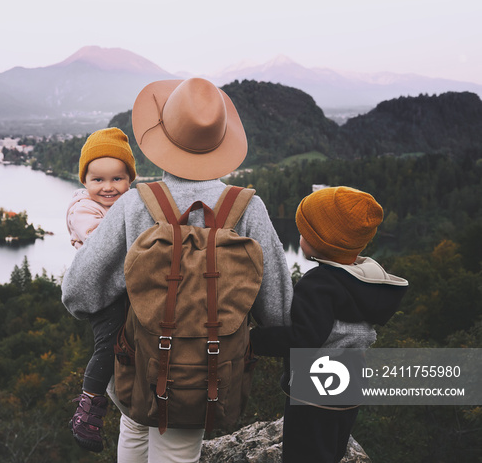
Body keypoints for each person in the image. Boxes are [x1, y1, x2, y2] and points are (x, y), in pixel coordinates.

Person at [62, 77, 295, 463]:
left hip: (139, 362)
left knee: (134, 426)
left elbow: (79, 293)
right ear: (221, 141)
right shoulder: (247, 209)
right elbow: (279, 312)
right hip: (207, 374)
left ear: (163, 139)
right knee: (175, 452)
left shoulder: (135, 205)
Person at [250, 186, 408, 463]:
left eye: (304, 231)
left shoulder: (319, 284)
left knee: (304, 453)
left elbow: (304, 339)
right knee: (330, 449)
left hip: (316, 390)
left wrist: (254, 340)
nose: (300, 236)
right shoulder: (366, 280)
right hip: (351, 383)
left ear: (321, 241)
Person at [66, 127, 137, 453]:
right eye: (98, 180)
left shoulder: (128, 203)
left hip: (119, 286)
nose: (108, 187)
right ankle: (89, 407)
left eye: (117, 179)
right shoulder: (83, 209)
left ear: (130, 179)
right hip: (99, 292)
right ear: (85, 181)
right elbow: (101, 244)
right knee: (108, 344)